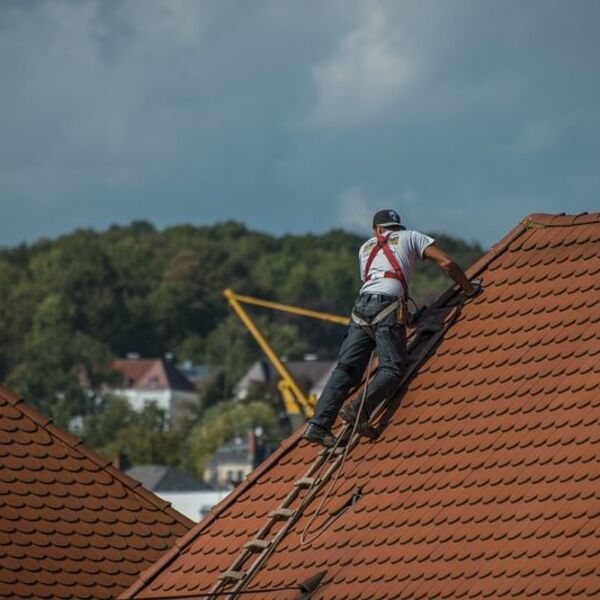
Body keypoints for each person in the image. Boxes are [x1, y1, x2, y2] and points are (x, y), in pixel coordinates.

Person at [303, 209, 480, 447]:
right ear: (394, 227)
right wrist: (469, 288)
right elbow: (447, 263)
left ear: (377, 230)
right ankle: (358, 409)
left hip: (361, 310)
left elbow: (377, 281)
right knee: (393, 368)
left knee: (345, 369)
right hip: (387, 306)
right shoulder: (412, 236)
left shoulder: (364, 248)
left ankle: (318, 425)